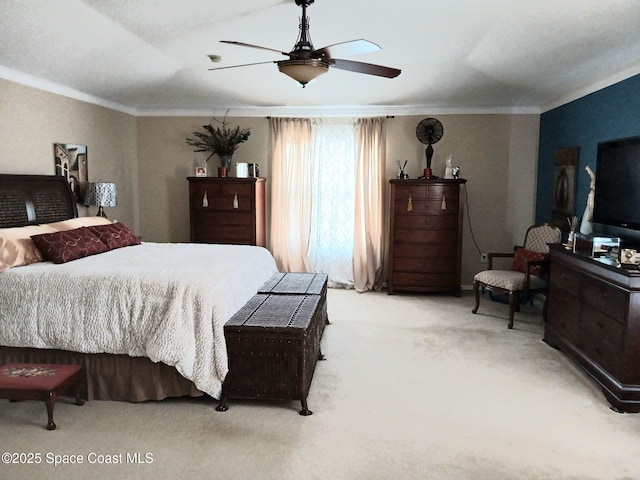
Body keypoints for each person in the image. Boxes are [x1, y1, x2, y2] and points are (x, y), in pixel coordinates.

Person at [580, 166, 596, 234]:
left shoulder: (592, 195)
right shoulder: (591, 194)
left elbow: (591, 210)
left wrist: (589, 217)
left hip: (588, 220)